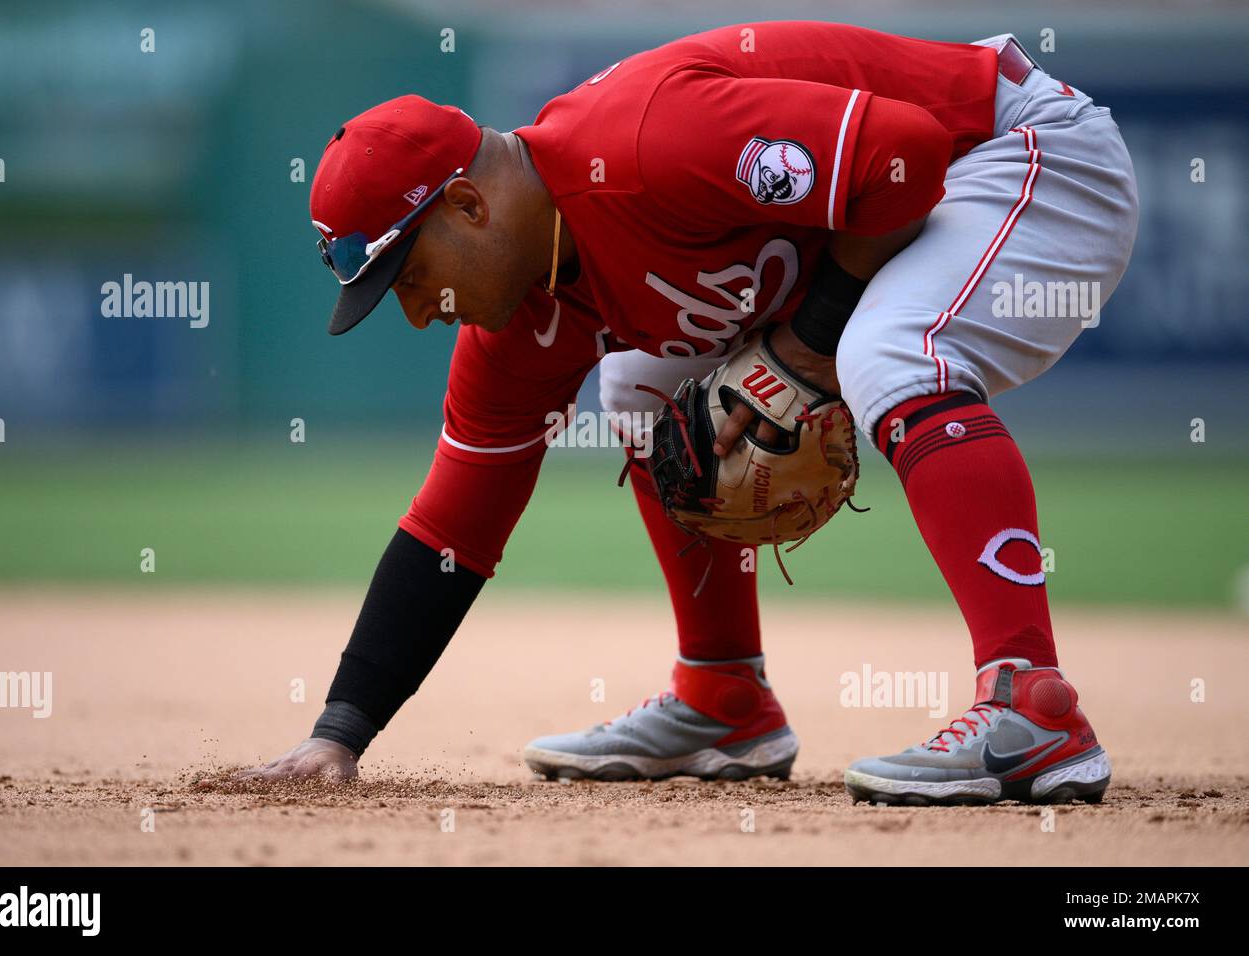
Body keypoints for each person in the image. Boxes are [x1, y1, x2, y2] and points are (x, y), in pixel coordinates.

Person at [241, 21, 1137, 805]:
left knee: (888, 353)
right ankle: (723, 696)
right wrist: (341, 730)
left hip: (1016, 147)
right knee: (640, 387)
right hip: (923, 187)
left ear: (469, 206)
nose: (415, 309)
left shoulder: (641, 148)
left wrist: (805, 347)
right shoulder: (521, 320)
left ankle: (1032, 702)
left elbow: (902, 155)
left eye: (407, 276)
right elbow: (452, 527)